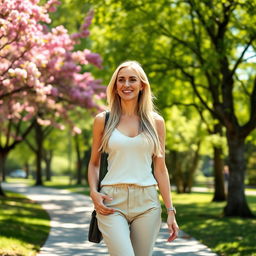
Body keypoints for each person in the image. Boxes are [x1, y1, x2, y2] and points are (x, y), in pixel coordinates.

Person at [88, 60, 179, 256]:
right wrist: (94, 193)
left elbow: (160, 169)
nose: (126, 85)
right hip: (112, 201)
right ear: (115, 86)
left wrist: (171, 210)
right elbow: (94, 163)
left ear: (141, 86)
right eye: (121, 80)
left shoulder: (156, 122)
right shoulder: (103, 120)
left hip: (147, 202)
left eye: (132, 80)